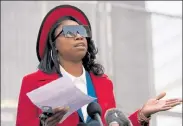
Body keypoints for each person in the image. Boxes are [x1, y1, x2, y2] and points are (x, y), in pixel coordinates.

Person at [16, 5, 182, 126]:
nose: (79, 37)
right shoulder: (33, 82)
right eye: (69, 33)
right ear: (54, 44)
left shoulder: (103, 82)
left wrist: (141, 115)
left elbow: (111, 123)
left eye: (82, 32)